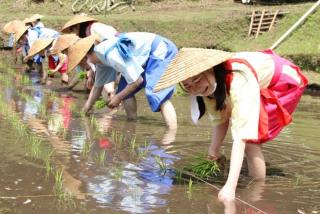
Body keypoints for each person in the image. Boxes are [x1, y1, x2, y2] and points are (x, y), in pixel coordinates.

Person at [154, 48, 308, 201]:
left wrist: (230, 187)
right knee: (248, 140)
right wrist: (213, 152)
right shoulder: (209, 86)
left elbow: (241, 135)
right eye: (187, 86)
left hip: (283, 83)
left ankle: (257, 193)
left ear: (210, 69)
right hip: (259, 82)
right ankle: (249, 175)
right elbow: (220, 119)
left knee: (250, 141)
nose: (195, 89)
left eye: (197, 80)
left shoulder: (239, 77)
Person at [67, 33, 178, 129]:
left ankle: (170, 135)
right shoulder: (100, 58)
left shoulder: (111, 54)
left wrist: (117, 97)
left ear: (88, 57)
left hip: (160, 50)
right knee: (125, 92)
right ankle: (132, 123)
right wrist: (85, 109)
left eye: (83, 63)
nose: (86, 67)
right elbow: (98, 86)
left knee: (155, 93)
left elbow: (137, 81)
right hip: (141, 58)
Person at [61, 15, 118, 99]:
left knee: (102, 81)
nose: (76, 34)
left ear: (78, 26)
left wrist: (92, 73)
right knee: (100, 81)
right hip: (110, 53)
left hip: (114, 51)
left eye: (74, 30)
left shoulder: (93, 30)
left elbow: (102, 47)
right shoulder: (90, 30)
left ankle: (111, 100)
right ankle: (109, 100)